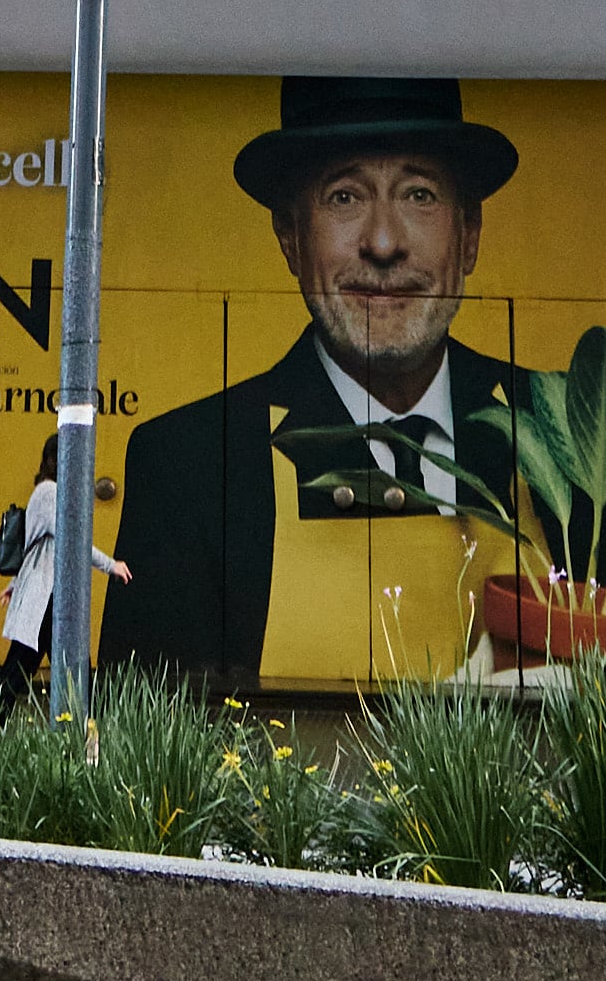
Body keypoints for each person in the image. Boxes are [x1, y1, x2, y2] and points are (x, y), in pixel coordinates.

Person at [99, 78, 561, 687]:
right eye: (344, 197)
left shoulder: (563, 426)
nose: (384, 242)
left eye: (419, 194)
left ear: (469, 235)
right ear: (291, 238)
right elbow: (145, 747)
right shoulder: (189, 462)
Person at [0, 433, 130, 706]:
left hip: (47, 594)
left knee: (34, 669)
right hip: (46, 597)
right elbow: (70, 540)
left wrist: (14, 586)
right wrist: (110, 565)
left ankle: (85, 727)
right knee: (26, 670)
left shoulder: (48, 492)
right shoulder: (50, 493)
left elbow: (40, 544)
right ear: (56, 460)